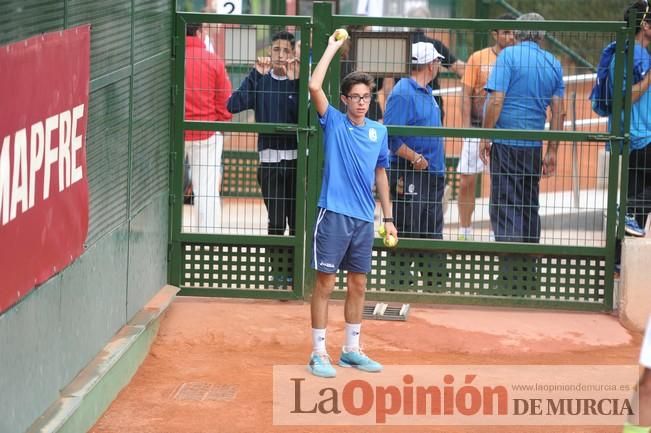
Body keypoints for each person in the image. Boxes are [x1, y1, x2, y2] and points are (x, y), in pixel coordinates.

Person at [307, 31, 397, 378]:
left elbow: (381, 174)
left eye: (366, 96)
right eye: (355, 97)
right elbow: (315, 87)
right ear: (345, 99)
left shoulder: (379, 131)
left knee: (358, 284)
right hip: (333, 215)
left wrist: (388, 217)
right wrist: (331, 47)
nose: (361, 102)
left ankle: (351, 350)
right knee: (325, 285)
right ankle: (318, 353)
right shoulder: (334, 123)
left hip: (363, 219)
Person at [479, 12, 565, 245]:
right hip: (533, 148)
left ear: (517, 32)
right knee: (529, 206)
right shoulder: (553, 63)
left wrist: (485, 137)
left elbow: (496, 100)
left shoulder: (508, 56)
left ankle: (510, 274)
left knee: (505, 207)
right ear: (541, 36)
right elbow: (559, 112)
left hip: (506, 144)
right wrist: (552, 151)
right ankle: (528, 271)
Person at [227, 31, 300, 237]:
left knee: (296, 221)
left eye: (286, 50)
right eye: (276, 49)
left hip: (296, 162)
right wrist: (255, 74)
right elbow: (233, 105)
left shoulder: (299, 82)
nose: (280, 55)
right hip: (269, 162)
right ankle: (278, 270)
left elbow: (305, 115)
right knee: (276, 223)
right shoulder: (260, 81)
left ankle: (294, 269)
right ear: (270, 51)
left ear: (293, 53)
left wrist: (296, 82)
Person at [457, 14, 516, 240]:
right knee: (466, 181)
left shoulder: (517, 59)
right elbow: (465, 93)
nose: (510, 37)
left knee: (500, 184)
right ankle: (465, 231)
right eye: (505, 32)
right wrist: (465, 129)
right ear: (495, 34)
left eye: (513, 33)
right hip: (475, 128)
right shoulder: (478, 58)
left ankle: (496, 232)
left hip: (503, 131)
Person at [384, 42, 446, 240]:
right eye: (437, 61)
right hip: (412, 173)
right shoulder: (403, 92)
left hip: (430, 174)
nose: (438, 66)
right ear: (430, 64)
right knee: (410, 232)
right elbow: (391, 136)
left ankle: (433, 273)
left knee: (430, 235)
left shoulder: (424, 91)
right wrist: (415, 158)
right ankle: (400, 272)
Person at [184, 23, 232, 232]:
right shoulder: (214, 61)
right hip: (206, 131)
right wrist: (222, 124)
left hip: (174, 132)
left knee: (166, 188)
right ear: (199, 32)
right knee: (207, 189)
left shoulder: (173, 58)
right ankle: (207, 238)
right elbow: (225, 101)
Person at [380, 5, 465, 124]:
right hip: (431, 103)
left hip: (403, 104)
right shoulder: (435, 45)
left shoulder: (398, 46)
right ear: (427, 22)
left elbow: (388, 84)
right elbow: (461, 69)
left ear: (408, 21)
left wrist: (389, 109)